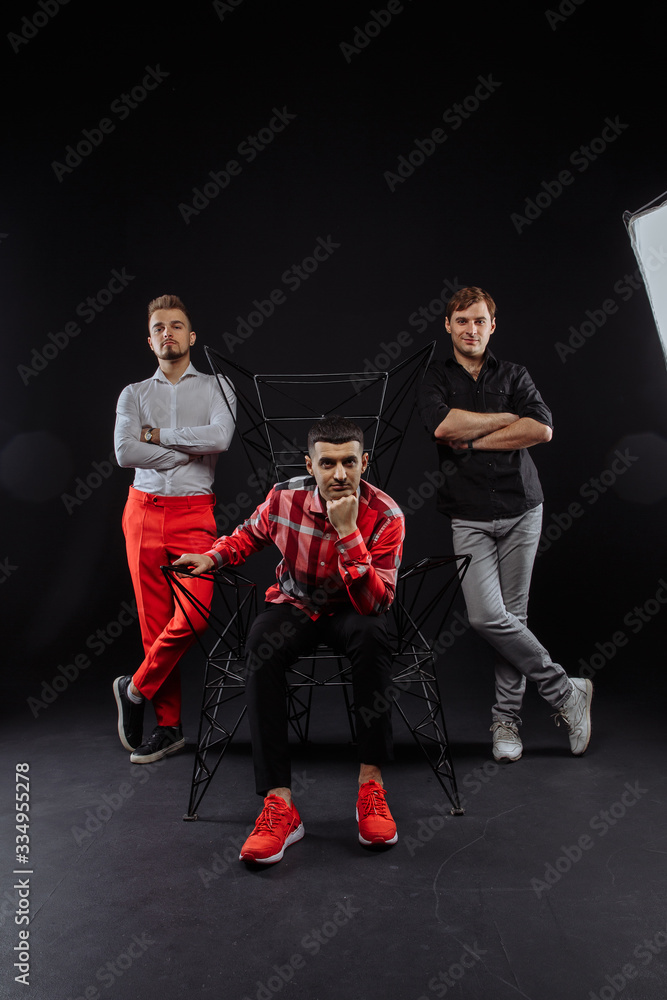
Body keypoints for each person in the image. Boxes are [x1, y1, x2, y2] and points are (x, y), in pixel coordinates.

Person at [173, 416, 405, 865]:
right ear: (310, 464)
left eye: (350, 463)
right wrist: (211, 556)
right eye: (328, 463)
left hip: (355, 610)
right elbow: (248, 536)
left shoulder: (387, 514)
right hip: (297, 603)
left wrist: (348, 533)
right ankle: (279, 805)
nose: (340, 474)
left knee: (375, 638)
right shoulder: (285, 497)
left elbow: (377, 602)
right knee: (261, 646)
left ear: (365, 462)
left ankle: (371, 789)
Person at [417, 286, 592, 763]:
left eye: (480, 321)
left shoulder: (515, 373)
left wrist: (474, 441)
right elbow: (443, 428)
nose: (471, 329)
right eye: (462, 321)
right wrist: (504, 421)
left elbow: (540, 428)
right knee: (486, 617)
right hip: (468, 514)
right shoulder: (434, 377)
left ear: (492, 326)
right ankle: (565, 691)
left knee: (514, 618)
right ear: (448, 326)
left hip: (522, 509)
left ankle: (506, 722)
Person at [113, 294, 236, 764]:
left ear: (192, 336)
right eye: (160, 327)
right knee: (154, 624)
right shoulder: (133, 394)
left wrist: (157, 437)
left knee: (194, 615)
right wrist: (187, 448)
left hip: (193, 514)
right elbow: (126, 453)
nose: (169, 333)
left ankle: (135, 687)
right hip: (142, 512)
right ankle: (169, 730)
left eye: (177, 326)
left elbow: (219, 439)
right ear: (150, 340)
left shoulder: (217, 387)